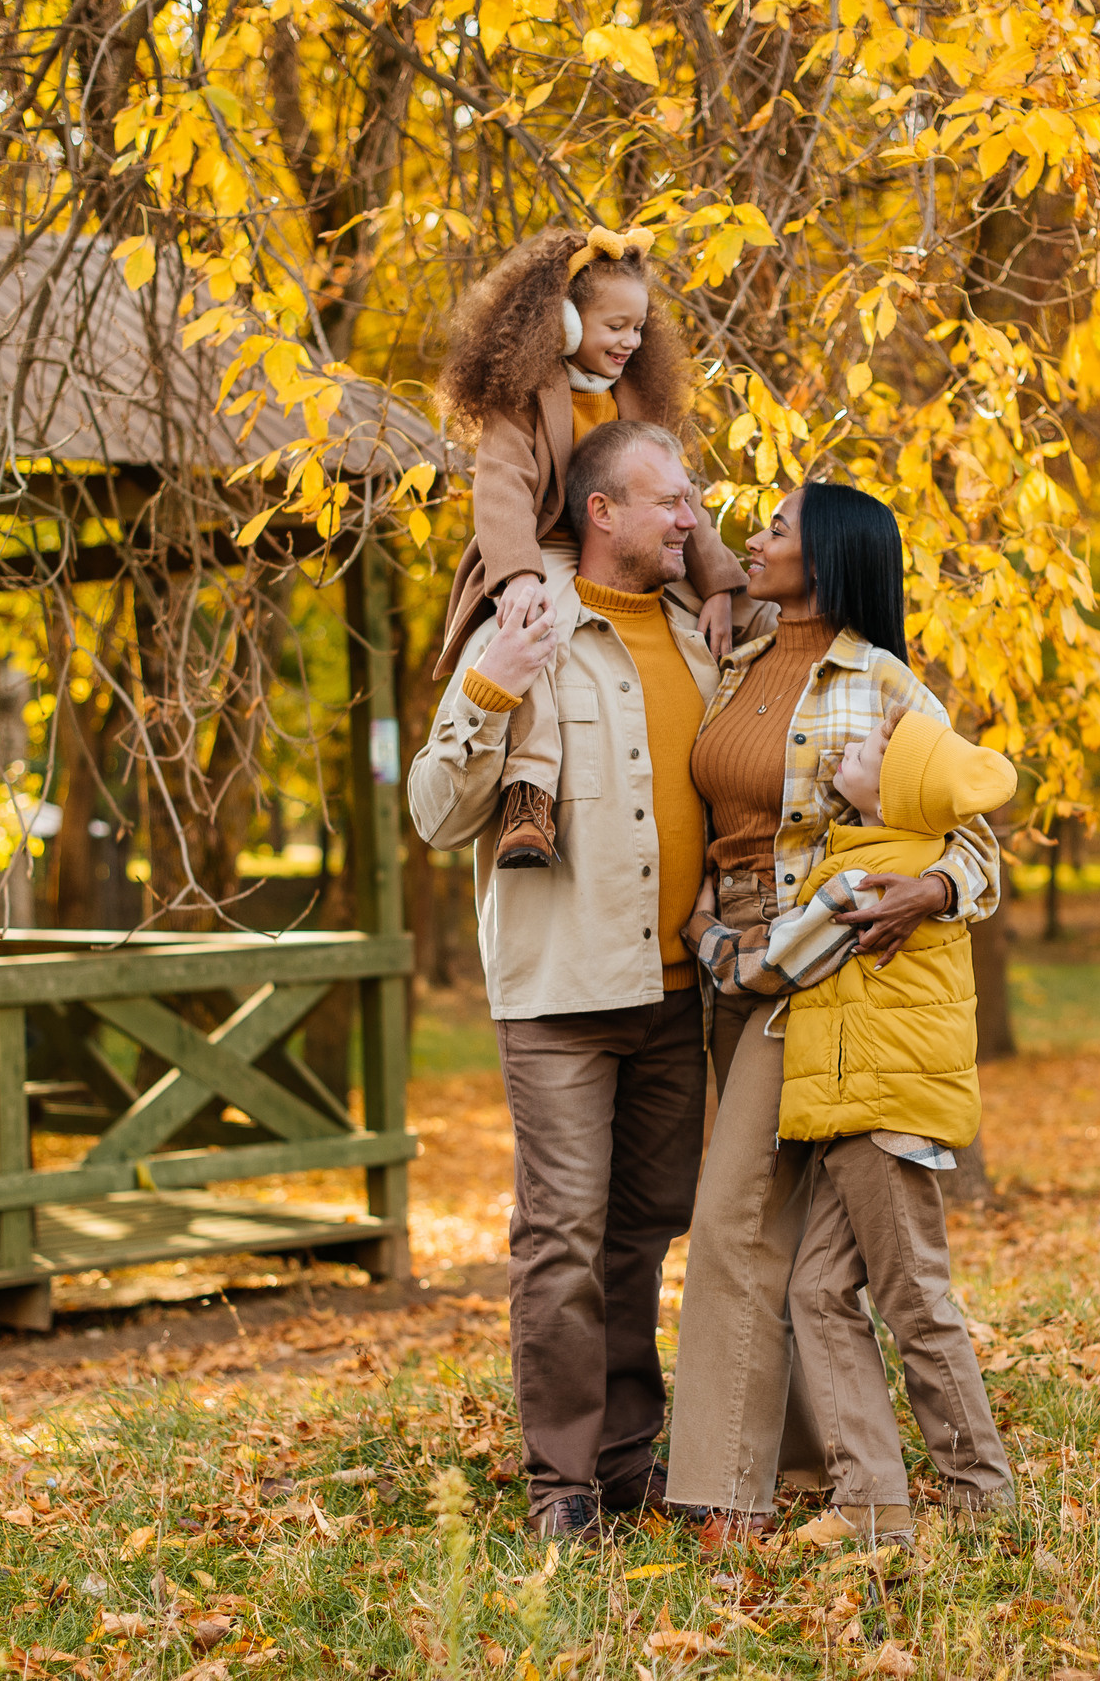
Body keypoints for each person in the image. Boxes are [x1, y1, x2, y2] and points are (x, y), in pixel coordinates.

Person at [406, 418, 769, 1542]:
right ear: (601, 511)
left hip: (677, 993)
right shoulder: (527, 622)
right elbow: (434, 813)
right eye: (670, 501)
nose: (691, 518)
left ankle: (623, 1459)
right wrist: (490, 688)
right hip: (561, 994)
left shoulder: (702, 634)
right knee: (562, 1237)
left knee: (642, 1232)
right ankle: (559, 1483)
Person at [663, 481, 1003, 1543]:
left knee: (732, 1217)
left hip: (801, 968)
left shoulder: (886, 684)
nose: (754, 536)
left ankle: (724, 1490)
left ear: (828, 554)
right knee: (799, 1250)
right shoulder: (732, 658)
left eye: (776, 525)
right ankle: (828, 1474)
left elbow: (976, 843)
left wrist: (929, 889)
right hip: (725, 961)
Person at [431, 225, 745, 870]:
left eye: (639, 328)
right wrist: (518, 575)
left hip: (627, 541)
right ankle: (530, 790)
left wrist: (718, 585)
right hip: (544, 545)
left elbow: (678, 496)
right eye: (615, 326)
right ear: (565, 323)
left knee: (733, 623)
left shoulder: (636, 396)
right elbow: (502, 487)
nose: (630, 341)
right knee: (537, 631)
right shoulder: (524, 396)